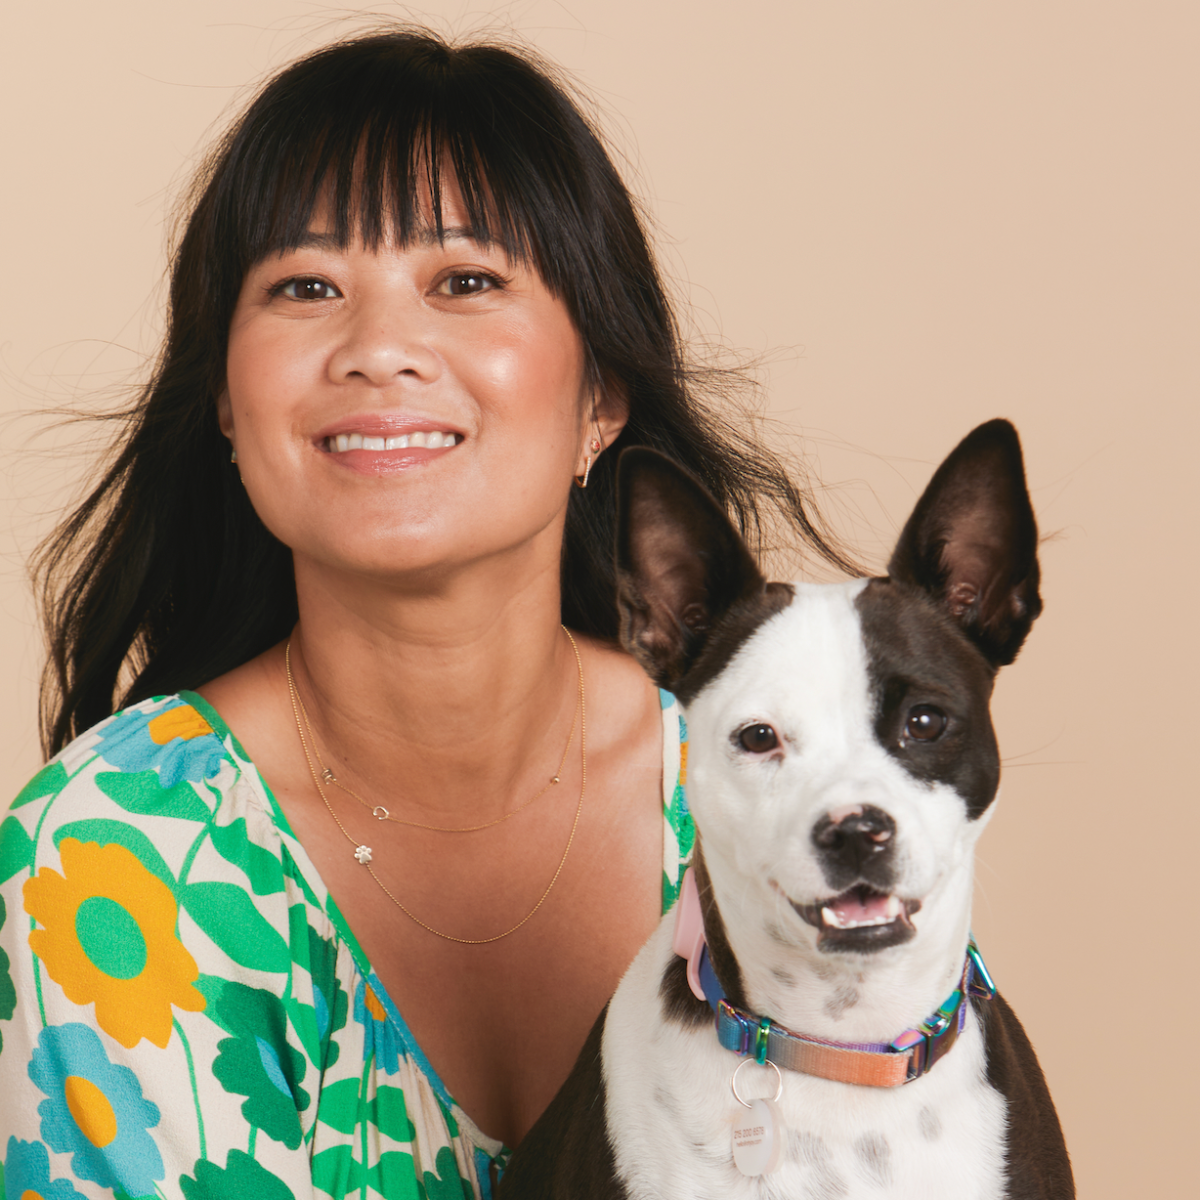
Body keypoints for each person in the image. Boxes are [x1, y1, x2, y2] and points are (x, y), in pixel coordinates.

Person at [0, 27, 848, 1200]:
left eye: (466, 282)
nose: (379, 349)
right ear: (230, 409)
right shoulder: (112, 853)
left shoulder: (774, 772)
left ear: (602, 392)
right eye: (304, 288)